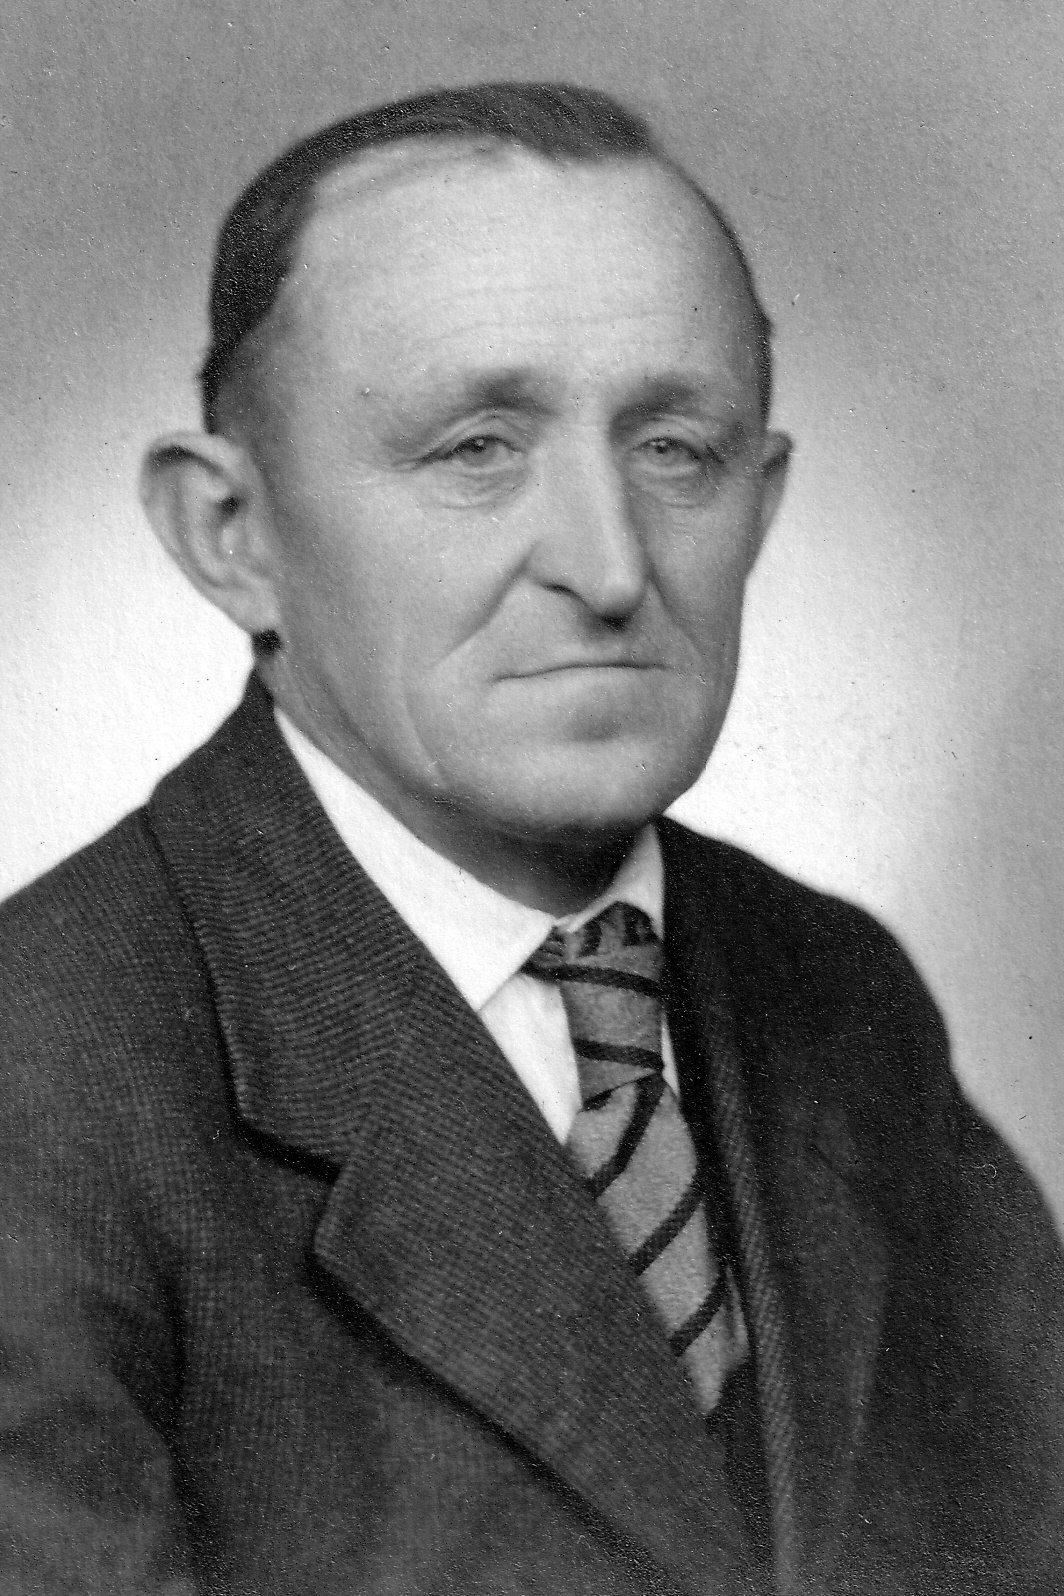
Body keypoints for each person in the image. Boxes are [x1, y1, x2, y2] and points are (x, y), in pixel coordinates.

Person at [1, 81, 1061, 1596]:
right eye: (477, 448)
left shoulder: (838, 986)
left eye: (676, 449)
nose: (611, 565)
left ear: (762, 505)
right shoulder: (37, 1068)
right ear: (232, 535)